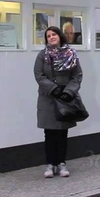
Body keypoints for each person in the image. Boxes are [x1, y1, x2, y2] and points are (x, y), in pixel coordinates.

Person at [34, 26, 83, 178]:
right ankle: (50, 164)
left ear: (60, 36)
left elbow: (77, 75)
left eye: (54, 34)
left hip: (65, 99)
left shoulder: (71, 54)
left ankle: (61, 163)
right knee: (49, 133)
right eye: (48, 36)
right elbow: (39, 75)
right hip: (48, 98)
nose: (51, 37)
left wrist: (69, 92)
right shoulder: (42, 55)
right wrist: (53, 88)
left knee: (62, 133)